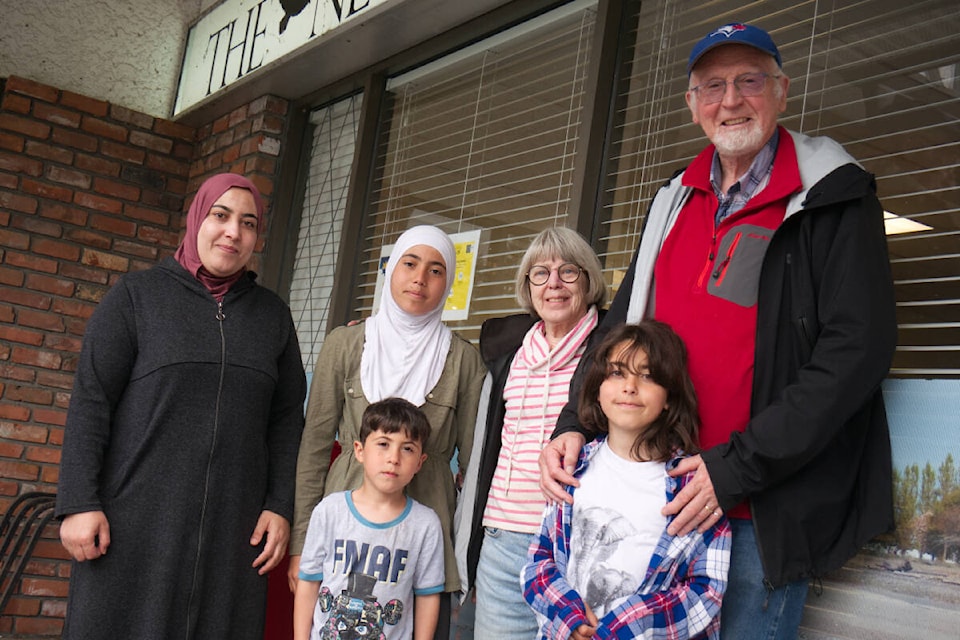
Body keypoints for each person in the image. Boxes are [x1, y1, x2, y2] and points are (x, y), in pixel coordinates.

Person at [539, 22, 897, 640]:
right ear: (692, 104)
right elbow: (617, 333)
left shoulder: (833, 196)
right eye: (711, 86)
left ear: (781, 91)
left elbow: (857, 350)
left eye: (748, 81)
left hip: (754, 508)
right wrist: (574, 424)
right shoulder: (672, 200)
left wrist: (735, 469)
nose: (729, 100)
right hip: (645, 494)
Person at [55, 173, 307, 639]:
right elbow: (92, 401)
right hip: (134, 527)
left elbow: (288, 422)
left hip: (233, 535)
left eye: (248, 223)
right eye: (221, 215)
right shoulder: (136, 297)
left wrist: (280, 505)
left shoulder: (273, 317)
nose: (234, 231)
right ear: (197, 219)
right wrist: (78, 502)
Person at [289, 224, 486, 639]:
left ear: (448, 283)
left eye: (436, 270)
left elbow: (474, 466)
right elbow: (313, 448)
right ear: (391, 269)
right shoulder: (345, 344)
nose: (419, 278)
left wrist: (467, 554)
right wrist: (301, 543)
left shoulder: (465, 361)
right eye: (409, 264)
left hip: (425, 543)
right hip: (345, 538)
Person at [523, 322, 730, 639]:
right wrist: (569, 616)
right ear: (597, 389)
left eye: (647, 376)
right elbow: (539, 562)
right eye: (617, 372)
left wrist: (621, 628)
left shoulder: (693, 487)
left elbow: (706, 589)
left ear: (669, 398)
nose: (630, 386)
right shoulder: (571, 469)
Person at [454, 227, 607, 639]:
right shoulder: (508, 359)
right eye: (540, 273)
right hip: (502, 544)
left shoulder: (612, 355)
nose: (553, 283)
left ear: (588, 280)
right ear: (528, 287)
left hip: (574, 549)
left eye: (568, 272)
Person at [294, 398, 445, 640]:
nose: (393, 458)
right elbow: (309, 583)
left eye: (407, 448)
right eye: (383, 444)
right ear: (360, 450)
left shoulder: (425, 525)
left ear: (420, 462)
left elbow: (427, 595)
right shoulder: (329, 511)